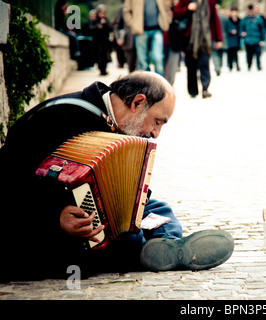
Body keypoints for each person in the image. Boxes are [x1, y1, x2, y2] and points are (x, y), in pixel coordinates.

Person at [0, 71, 234, 281]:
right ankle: (149, 249)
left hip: (91, 214)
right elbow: (9, 181)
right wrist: (55, 217)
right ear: (137, 102)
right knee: (121, 238)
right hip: (41, 226)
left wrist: (137, 200)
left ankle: (165, 246)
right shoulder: (59, 118)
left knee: (158, 208)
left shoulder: (115, 125)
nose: (155, 134)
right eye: (157, 122)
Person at [173, 0, 223, 99]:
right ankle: (193, 91)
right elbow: (176, 13)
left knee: (204, 63)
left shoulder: (210, 1)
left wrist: (218, 38)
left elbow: (214, 19)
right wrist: (187, 9)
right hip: (189, 39)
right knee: (191, 66)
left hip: (205, 39)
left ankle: (205, 88)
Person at [123, 0, 172, 75]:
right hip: (140, 31)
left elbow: (167, 9)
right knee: (143, 62)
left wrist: (167, 20)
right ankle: (147, 84)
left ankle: (158, 84)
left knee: (158, 58)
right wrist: (133, 25)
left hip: (157, 29)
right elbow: (126, 11)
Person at [240, 4, 265, 71]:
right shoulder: (245, 19)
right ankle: (249, 66)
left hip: (256, 39)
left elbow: (262, 30)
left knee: (258, 54)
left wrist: (262, 40)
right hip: (248, 40)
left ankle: (258, 66)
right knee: (249, 54)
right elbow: (241, 28)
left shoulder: (258, 19)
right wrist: (242, 33)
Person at [113, 4, 138, 73]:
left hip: (142, 37)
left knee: (141, 64)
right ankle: (133, 81)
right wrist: (118, 37)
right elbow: (117, 25)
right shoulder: (123, 8)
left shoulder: (142, 4)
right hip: (128, 39)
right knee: (131, 64)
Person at [89, 5, 113, 76]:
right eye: (101, 12)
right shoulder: (95, 20)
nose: (102, 14)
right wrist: (98, 26)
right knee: (98, 57)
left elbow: (111, 28)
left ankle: (105, 70)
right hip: (97, 42)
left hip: (105, 42)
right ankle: (101, 70)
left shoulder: (106, 20)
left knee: (105, 57)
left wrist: (104, 23)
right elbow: (90, 28)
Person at [211, 5, 228, 76]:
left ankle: (217, 67)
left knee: (215, 54)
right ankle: (219, 66)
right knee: (220, 54)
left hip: (214, 38)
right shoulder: (224, 18)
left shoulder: (211, 17)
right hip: (223, 38)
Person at [225, 6, 241, 72]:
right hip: (230, 39)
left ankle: (237, 65)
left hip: (237, 39)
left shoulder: (239, 20)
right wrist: (230, 31)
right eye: (233, 12)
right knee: (230, 53)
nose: (234, 13)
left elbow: (241, 28)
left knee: (236, 53)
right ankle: (230, 65)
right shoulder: (228, 20)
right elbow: (225, 29)